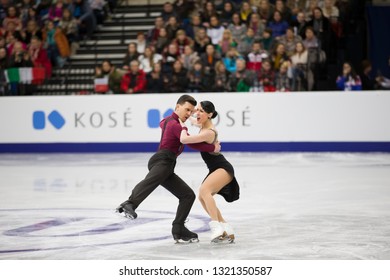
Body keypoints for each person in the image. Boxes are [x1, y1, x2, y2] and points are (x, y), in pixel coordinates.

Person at [116, 95, 221, 243]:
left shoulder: (169, 121)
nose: (189, 114)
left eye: (191, 111)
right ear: (177, 107)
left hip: (167, 162)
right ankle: (129, 204)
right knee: (151, 181)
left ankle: (178, 228)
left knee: (187, 195)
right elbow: (190, 143)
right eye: (187, 109)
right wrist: (212, 147)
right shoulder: (175, 125)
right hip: (163, 160)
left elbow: (161, 123)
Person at [179, 100, 240, 243]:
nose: (197, 113)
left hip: (222, 167)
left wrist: (181, 125)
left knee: (204, 190)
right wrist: (186, 116)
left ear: (210, 114)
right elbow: (194, 121)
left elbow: (185, 139)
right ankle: (225, 227)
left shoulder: (208, 132)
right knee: (202, 196)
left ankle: (216, 227)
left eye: (201, 111)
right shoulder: (202, 124)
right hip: (214, 167)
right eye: (197, 110)